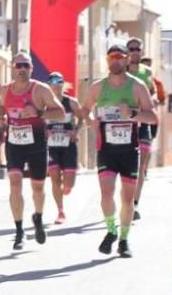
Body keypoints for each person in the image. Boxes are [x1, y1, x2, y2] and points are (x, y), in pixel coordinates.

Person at [81, 43, 158, 258]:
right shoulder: (98, 87)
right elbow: (84, 110)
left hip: (129, 149)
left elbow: (152, 117)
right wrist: (90, 122)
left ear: (127, 60)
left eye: (119, 57)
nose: (115, 61)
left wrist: (132, 114)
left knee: (127, 198)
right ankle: (111, 231)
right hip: (106, 148)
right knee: (106, 193)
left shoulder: (137, 87)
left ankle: (124, 239)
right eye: (111, 58)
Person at [0, 53, 66, 250]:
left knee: (37, 187)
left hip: (36, 145)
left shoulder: (40, 89)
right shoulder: (5, 90)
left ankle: (38, 217)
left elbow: (60, 113)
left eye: (26, 65)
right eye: (18, 65)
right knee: (15, 184)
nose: (22, 69)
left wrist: (40, 113)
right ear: (13, 67)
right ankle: (19, 231)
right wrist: (1, 120)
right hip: (14, 144)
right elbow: (2, 111)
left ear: (31, 68)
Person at [45, 72, 83, 224]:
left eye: (59, 81)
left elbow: (81, 117)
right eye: (52, 81)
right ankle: (60, 211)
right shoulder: (44, 103)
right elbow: (37, 118)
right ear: (48, 85)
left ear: (62, 84)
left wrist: (76, 130)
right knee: (54, 179)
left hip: (68, 145)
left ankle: (67, 187)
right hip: (52, 146)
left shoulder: (71, 102)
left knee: (69, 183)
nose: (56, 84)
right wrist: (43, 131)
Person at [125, 39, 158, 220]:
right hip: (126, 123)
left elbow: (153, 91)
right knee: (127, 165)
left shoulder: (147, 72)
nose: (135, 52)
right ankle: (126, 199)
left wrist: (153, 99)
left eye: (138, 49)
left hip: (143, 121)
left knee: (141, 165)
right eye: (131, 49)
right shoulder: (122, 72)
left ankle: (134, 204)